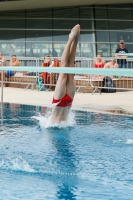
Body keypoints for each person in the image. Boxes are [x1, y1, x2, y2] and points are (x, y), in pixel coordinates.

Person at [50, 24, 80, 123]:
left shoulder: (48, 125)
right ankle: (76, 40)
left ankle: (70, 39)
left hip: (58, 102)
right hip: (68, 102)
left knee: (64, 72)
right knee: (70, 71)